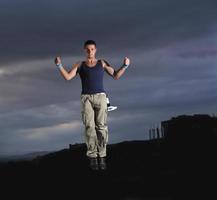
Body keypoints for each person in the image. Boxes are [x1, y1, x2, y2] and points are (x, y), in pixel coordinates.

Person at [54, 40, 130, 170]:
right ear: (85, 50)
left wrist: (125, 66)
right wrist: (59, 65)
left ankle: (102, 155)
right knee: (89, 126)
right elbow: (67, 77)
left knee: (101, 127)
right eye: (88, 49)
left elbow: (116, 76)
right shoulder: (80, 64)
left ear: (96, 50)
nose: (90, 52)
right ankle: (93, 157)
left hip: (101, 97)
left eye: (92, 49)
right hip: (86, 98)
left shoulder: (102, 63)